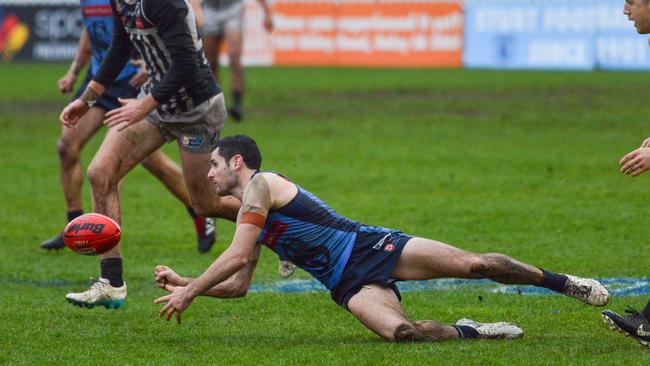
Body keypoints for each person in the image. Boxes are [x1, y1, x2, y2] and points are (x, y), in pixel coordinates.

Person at [153, 135, 609, 342]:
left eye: (213, 164)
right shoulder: (247, 217)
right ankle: (474, 330)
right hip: (347, 283)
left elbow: (234, 258)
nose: (207, 173)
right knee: (404, 333)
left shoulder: (261, 185)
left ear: (236, 163)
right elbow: (238, 283)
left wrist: (191, 290)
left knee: (477, 265)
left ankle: (566, 282)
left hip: (370, 246)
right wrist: (185, 284)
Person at [59, 0, 245, 309]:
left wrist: (144, 106)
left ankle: (271, 219)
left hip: (196, 109)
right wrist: (87, 98)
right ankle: (112, 283)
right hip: (156, 103)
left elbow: (186, 64)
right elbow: (119, 46)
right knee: (100, 173)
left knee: (205, 204)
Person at [41, 0, 217, 254]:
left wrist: (153, 62)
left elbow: (186, 28)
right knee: (67, 147)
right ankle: (76, 225)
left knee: (126, 166)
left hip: (132, 85)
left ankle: (200, 210)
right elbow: (92, 33)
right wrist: (74, 70)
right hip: (101, 81)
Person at [201, 0, 273, 121]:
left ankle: (237, 105)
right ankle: (216, 104)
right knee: (211, 62)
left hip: (232, 10)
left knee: (234, 57)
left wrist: (267, 13)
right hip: (210, 10)